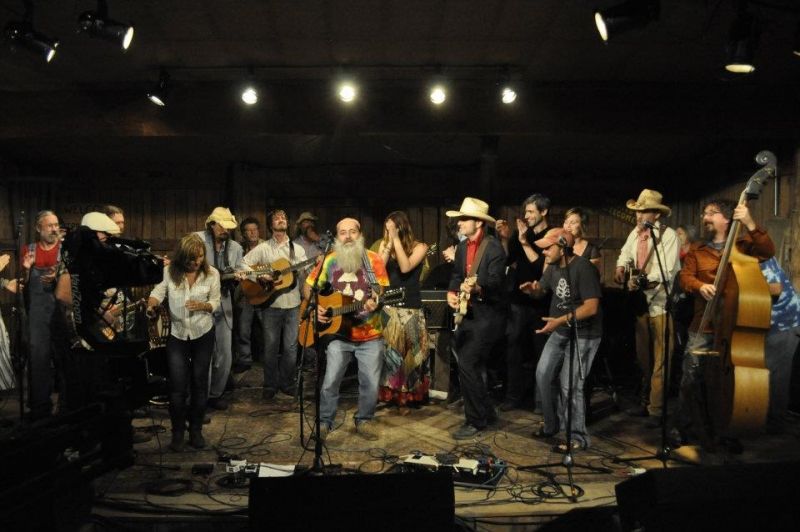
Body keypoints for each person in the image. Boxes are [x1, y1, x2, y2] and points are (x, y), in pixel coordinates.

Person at [677, 199, 774, 449]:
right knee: (691, 378)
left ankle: (728, 430)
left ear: (727, 219)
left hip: (734, 327)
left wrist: (750, 222)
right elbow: (685, 277)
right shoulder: (697, 250)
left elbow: (767, 251)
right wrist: (700, 286)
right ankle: (690, 432)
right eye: (704, 213)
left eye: (712, 213)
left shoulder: (744, 247)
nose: (705, 217)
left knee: (729, 384)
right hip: (704, 324)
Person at [305, 217, 389, 441]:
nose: (348, 236)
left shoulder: (374, 260)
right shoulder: (330, 260)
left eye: (353, 231)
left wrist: (375, 301)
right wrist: (315, 306)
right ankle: (325, 421)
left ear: (360, 234)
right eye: (343, 232)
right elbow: (309, 286)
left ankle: (364, 419)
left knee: (370, 384)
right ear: (337, 237)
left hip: (370, 334)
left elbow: (381, 291)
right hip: (337, 335)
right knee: (330, 381)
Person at [521, 228, 603, 452]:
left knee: (570, 385)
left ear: (563, 247)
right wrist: (532, 290)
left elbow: (591, 307)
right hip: (561, 329)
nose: (544, 252)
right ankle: (551, 425)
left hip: (583, 334)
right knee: (543, 374)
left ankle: (576, 437)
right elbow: (541, 290)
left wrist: (560, 320)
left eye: (548, 248)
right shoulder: (553, 267)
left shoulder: (583, 268)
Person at [147, 233, 220, 451]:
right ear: (182, 257)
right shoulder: (170, 272)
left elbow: (215, 301)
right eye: (191, 258)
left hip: (202, 333)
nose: (196, 262)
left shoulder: (212, 274)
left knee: (199, 383)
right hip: (178, 335)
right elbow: (157, 292)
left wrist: (203, 306)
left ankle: (196, 430)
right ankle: (177, 432)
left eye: (200, 257)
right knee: (177, 387)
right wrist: (152, 305)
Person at [613, 189, 679, 426]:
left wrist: (641, 281)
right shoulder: (636, 233)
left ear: (657, 214)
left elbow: (667, 271)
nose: (639, 216)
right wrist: (621, 267)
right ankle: (645, 400)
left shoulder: (668, 236)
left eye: (644, 212)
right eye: (637, 212)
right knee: (644, 357)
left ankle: (657, 410)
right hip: (641, 304)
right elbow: (625, 253)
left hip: (660, 305)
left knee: (662, 359)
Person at [445, 197, 506, 440]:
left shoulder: (493, 248)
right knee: (469, 365)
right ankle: (486, 412)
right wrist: (451, 293)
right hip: (468, 314)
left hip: (487, 316)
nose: (459, 223)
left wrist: (478, 288)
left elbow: (496, 283)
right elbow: (456, 275)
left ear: (478, 223)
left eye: (464, 219)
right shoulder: (462, 247)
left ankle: (476, 420)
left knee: (468, 363)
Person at [239, 209, 308, 400]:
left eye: (284, 217)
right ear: (271, 225)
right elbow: (243, 264)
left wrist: (312, 267)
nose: (281, 219)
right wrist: (260, 276)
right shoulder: (263, 248)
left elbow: (306, 272)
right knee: (270, 347)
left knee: (291, 348)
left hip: (293, 304)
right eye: (277, 218)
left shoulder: (297, 249)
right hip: (270, 304)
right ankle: (270, 384)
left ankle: (287, 383)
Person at [495, 194, 551, 412]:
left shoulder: (550, 236)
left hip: (541, 302)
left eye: (531, 211)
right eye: (525, 211)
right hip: (518, 301)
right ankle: (513, 396)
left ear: (543, 211)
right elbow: (508, 260)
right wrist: (504, 239)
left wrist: (524, 242)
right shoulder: (522, 234)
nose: (526, 216)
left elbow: (540, 269)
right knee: (513, 350)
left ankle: (541, 401)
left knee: (541, 352)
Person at [377, 211, 430, 409]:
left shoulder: (420, 247)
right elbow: (378, 270)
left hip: (410, 307)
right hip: (389, 307)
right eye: (386, 228)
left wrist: (396, 239)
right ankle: (392, 393)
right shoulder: (385, 245)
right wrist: (388, 243)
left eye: (391, 228)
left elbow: (405, 267)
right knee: (391, 354)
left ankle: (411, 395)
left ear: (401, 227)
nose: (388, 231)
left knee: (411, 354)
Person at [194, 207, 243, 410]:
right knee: (203, 355)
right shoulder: (196, 240)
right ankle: (200, 398)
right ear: (212, 224)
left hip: (224, 302)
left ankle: (215, 394)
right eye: (222, 226)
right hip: (201, 305)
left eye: (228, 227)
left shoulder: (236, 248)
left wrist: (239, 276)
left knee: (225, 355)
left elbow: (240, 270)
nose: (225, 230)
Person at [18, 210, 63, 420]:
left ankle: (67, 406)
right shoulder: (29, 250)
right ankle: (40, 407)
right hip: (37, 314)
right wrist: (26, 269)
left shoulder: (64, 250)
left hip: (61, 311)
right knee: (38, 359)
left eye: (56, 225)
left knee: (65, 358)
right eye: (50, 225)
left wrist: (59, 275)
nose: (54, 229)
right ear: (38, 228)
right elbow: (23, 284)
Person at [759, 258, 799, 433]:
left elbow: (775, 288)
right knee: (771, 372)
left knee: (776, 376)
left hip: (785, 321)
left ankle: (776, 423)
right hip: (772, 323)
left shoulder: (762, 258)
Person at [232, 216, 265, 373]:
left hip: (263, 293)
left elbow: (272, 268)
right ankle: (245, 359)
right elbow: (235, 269)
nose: (252, 233)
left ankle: (267, 358)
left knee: (267, 329)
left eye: (255, 229)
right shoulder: (238, 249)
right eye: (248, 230)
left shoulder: (266, 246)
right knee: (243, 329)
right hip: (245, 294)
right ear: (243, 233)